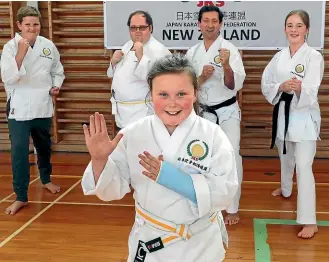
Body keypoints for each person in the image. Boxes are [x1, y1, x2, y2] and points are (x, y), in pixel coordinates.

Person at [81, 53, 238, 261]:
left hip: (200, 245)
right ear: (151, 94)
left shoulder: (212, 134)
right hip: (152, 241)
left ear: (195, 93)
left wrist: (172, 178)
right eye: (163, 94)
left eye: (181, 94)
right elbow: (111, 191)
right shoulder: (133, 134)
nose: (172, 103)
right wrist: (99, 160)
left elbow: (225, 192)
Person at [261, 10, 324, 239]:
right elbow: (266, 81)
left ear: (307, 30)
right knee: (285, 155)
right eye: (290, 25)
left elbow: (312, 88)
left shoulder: (313, 56)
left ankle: (309, 220)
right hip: (283, 112)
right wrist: (280, 86)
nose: (294, 30)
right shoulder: (279, 56)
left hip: (304, 115)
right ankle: (286, 188)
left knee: (304, 166)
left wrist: (299, 88)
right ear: (285, 28)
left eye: (299, 25)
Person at [1, 6, 65, 215]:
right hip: (19, 107)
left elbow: (57, 70)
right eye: (27, 24)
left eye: (35, 24)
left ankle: (45, 179)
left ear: (40, 25)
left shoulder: (48, 46)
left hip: (42, 104)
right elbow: (9, 78)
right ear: (19, 25)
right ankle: (20, 196)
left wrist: (56, 85)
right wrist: (20, 53)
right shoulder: (10, 48)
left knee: (44, 146)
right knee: (19, 152)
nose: (32, 28)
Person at [185, 5, 246, 225]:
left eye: (214, 21)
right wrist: (201, 77)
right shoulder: (192, 52)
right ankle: (204, 202)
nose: (210, 25)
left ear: (220, 24)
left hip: (227, 111)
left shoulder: (229, 50)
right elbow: (186, 86)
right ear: (199, 24)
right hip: (202, 113)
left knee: (231, 156)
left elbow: (233, 86)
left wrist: (227, 66)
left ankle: (232, 207)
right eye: (206, 21)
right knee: (200, 158)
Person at [108, 10, 171, 129]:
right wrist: (113, 63)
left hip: (143, 111)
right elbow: (113, 75)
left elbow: (161, 83)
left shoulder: (159, 51)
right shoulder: (127, 46)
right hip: (123, 111)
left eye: (142, 28)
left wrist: (141, 57)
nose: (137, 32)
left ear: (150, 28)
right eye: (133, 28)